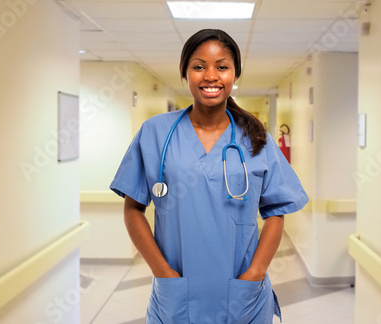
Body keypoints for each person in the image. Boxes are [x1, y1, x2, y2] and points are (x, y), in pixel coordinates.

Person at [110, 29, 308, 324]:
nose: (211, 76)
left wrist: (256, 272)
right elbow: (133, 208)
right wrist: (161, 271)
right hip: (177, 293)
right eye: (199, 66)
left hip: (243, 294)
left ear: (235, 74)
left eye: (222, 66)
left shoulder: (256, 138)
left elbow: (276, 212)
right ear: (184, 73)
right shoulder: (155, 133)